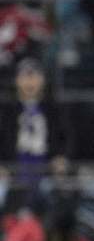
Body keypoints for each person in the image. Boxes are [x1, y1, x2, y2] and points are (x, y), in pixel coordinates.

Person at [0, 57, 71, 185]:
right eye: (25, 77)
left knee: (63, 187)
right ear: (16, 81)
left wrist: (61, 158)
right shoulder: (6, 110)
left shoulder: (54, 108)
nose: (29, 83)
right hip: (13, 169)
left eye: (34, 77)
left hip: (47, 169)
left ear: (42, 80)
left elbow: (67, 137)